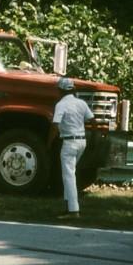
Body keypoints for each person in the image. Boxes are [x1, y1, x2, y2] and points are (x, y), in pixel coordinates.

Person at [47, 78, 94, 219]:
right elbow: (91, 119)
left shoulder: (61, 105)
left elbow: (55, 125)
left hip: (69, 142)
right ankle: (68, 204)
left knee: (68, 176)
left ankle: (73, 210)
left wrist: (48, 143)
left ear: (60, 90)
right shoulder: (81, 103)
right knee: (70, 173)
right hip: (82, 141)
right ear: (73, 89)